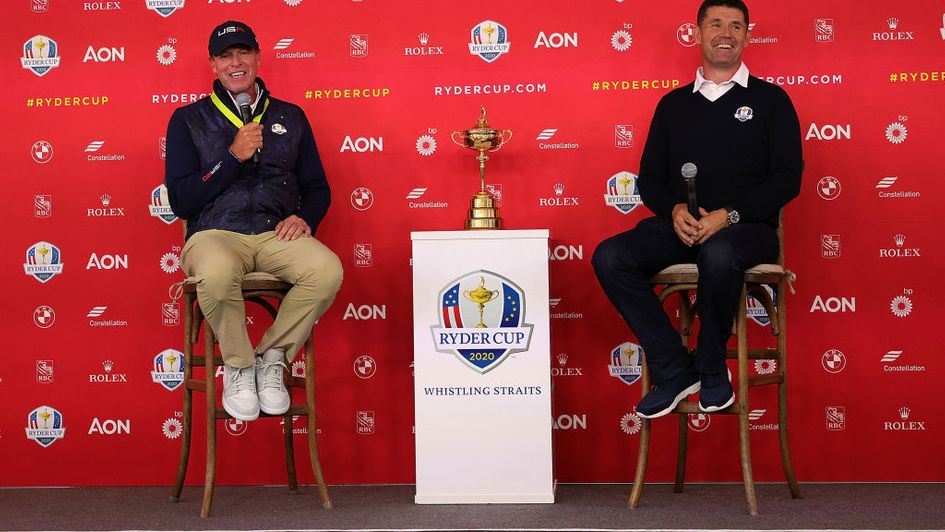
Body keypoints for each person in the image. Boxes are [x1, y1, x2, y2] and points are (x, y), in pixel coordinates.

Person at [592, 0, 802, 419]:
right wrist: (673, 211)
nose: (726, 32)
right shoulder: (673, 105)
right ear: (698, 32)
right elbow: (648, 178)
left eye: (736, 25)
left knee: (719, 252)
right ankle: (674, 368)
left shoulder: (772, 100)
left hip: (745, 230)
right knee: (610, 256)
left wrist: (728, 215)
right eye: (717, 23)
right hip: (682, 229)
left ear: (747, 35)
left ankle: (710, 367)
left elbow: (787, 178)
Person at [164, 21, 343, 422]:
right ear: (213, 65)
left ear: (258, 58)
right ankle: (240, 366)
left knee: (326, 269)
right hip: (214, 233)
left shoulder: (290, 117)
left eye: (243, 53)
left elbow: (317, 187)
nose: (236, 63)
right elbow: (180, 199)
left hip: (274, 234)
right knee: (215, 271)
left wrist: (304, 216)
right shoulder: (188, 119)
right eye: (225, 56)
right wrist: (232, 157)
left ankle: (272, 358)